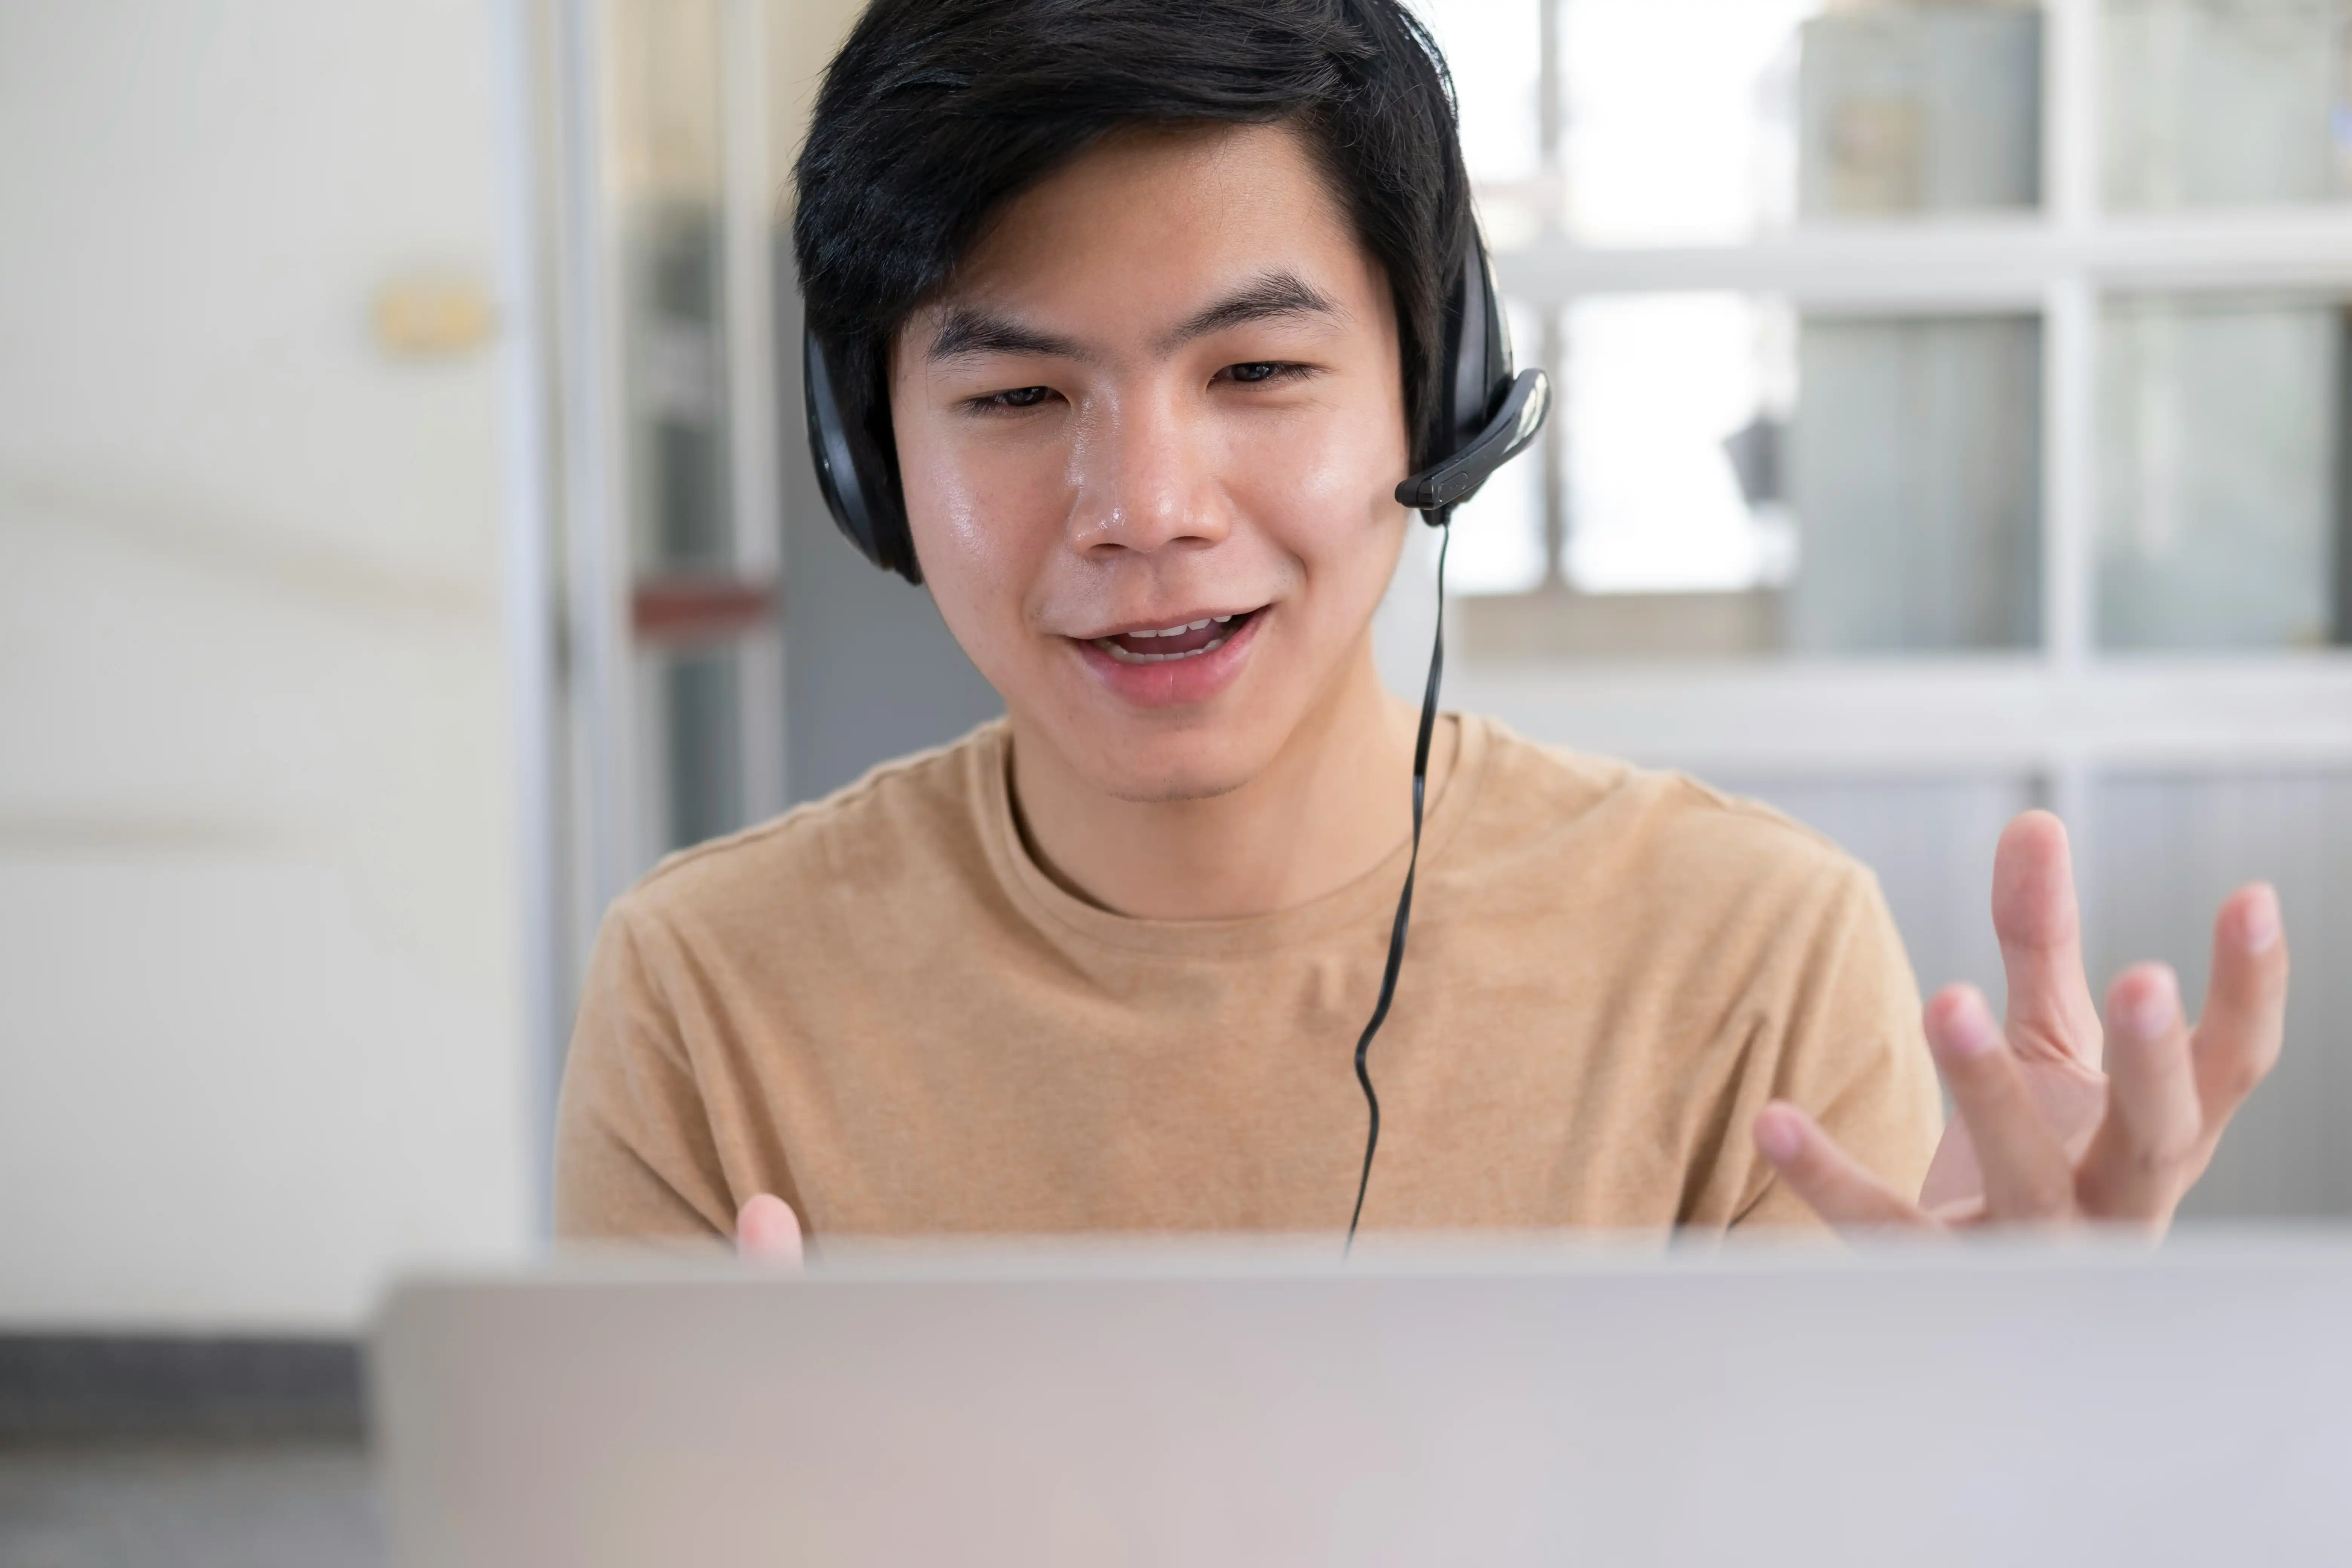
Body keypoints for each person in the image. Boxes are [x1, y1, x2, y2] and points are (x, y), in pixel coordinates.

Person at [553, 0, 2289, 1260]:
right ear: (869, 457)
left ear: (1436, 399)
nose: (1143, 504)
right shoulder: (711, 992)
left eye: (1258, 372)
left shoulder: (1743, 960)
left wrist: (2024, 1418)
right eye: (1014, 391)